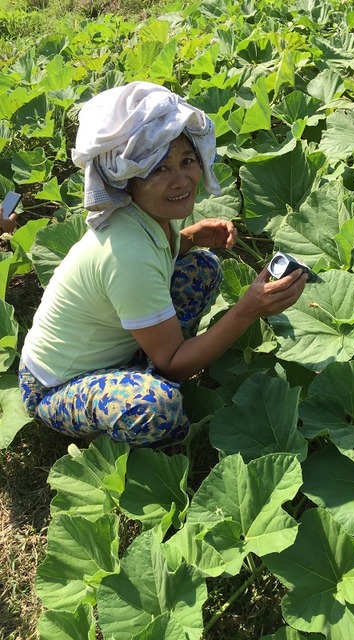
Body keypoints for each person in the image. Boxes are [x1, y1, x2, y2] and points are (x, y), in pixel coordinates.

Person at [18, 81, 307, 447]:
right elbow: (173, 361)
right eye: (159, 169)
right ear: (127, 179)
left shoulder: (144, 216)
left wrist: (188, 238)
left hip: (113, 347)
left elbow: (157, 257)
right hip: (53, 385)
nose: (181, 179)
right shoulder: (126, 253)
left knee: (203, 267)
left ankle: (140, 365)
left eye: (187, 161)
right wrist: (246, 310)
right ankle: (103, 426)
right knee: (155, 406)